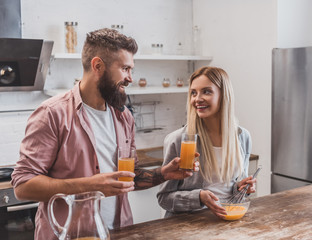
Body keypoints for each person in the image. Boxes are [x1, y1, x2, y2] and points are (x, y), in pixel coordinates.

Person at [11, 28, 198, 240]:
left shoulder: (124, 116)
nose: (130, 78)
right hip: (69, 236)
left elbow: (129, 177)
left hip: (118, 232)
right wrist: (91, 185)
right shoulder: (52, 114)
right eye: (125, 69)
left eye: (131, 70)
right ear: (98, 66)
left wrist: (164, 173)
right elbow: (23, 186)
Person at [157, 66, 256, 219]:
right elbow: (164, 198)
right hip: (187, 225)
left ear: (224, 95)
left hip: (226, 221)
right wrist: (198, 197)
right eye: (193, 93)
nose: (197, 99)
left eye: (206, 91)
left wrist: (241, 188)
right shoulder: (179, 140)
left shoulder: (242, 137)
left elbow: (230, 190)